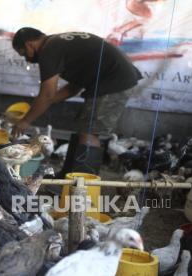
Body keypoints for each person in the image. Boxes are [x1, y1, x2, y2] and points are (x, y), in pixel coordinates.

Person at [11, 27, 142, 176]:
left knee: (89, 132)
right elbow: (72, 88)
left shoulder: (49, 50)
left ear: (29, 45)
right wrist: (45, 103)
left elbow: (47, 94)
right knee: (83, 127)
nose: (26, 58)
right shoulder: (58, 44)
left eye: (23, 53)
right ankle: (69, 175)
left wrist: (25, 121)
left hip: (114, 80)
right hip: (116, 76)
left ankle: (82, 185)